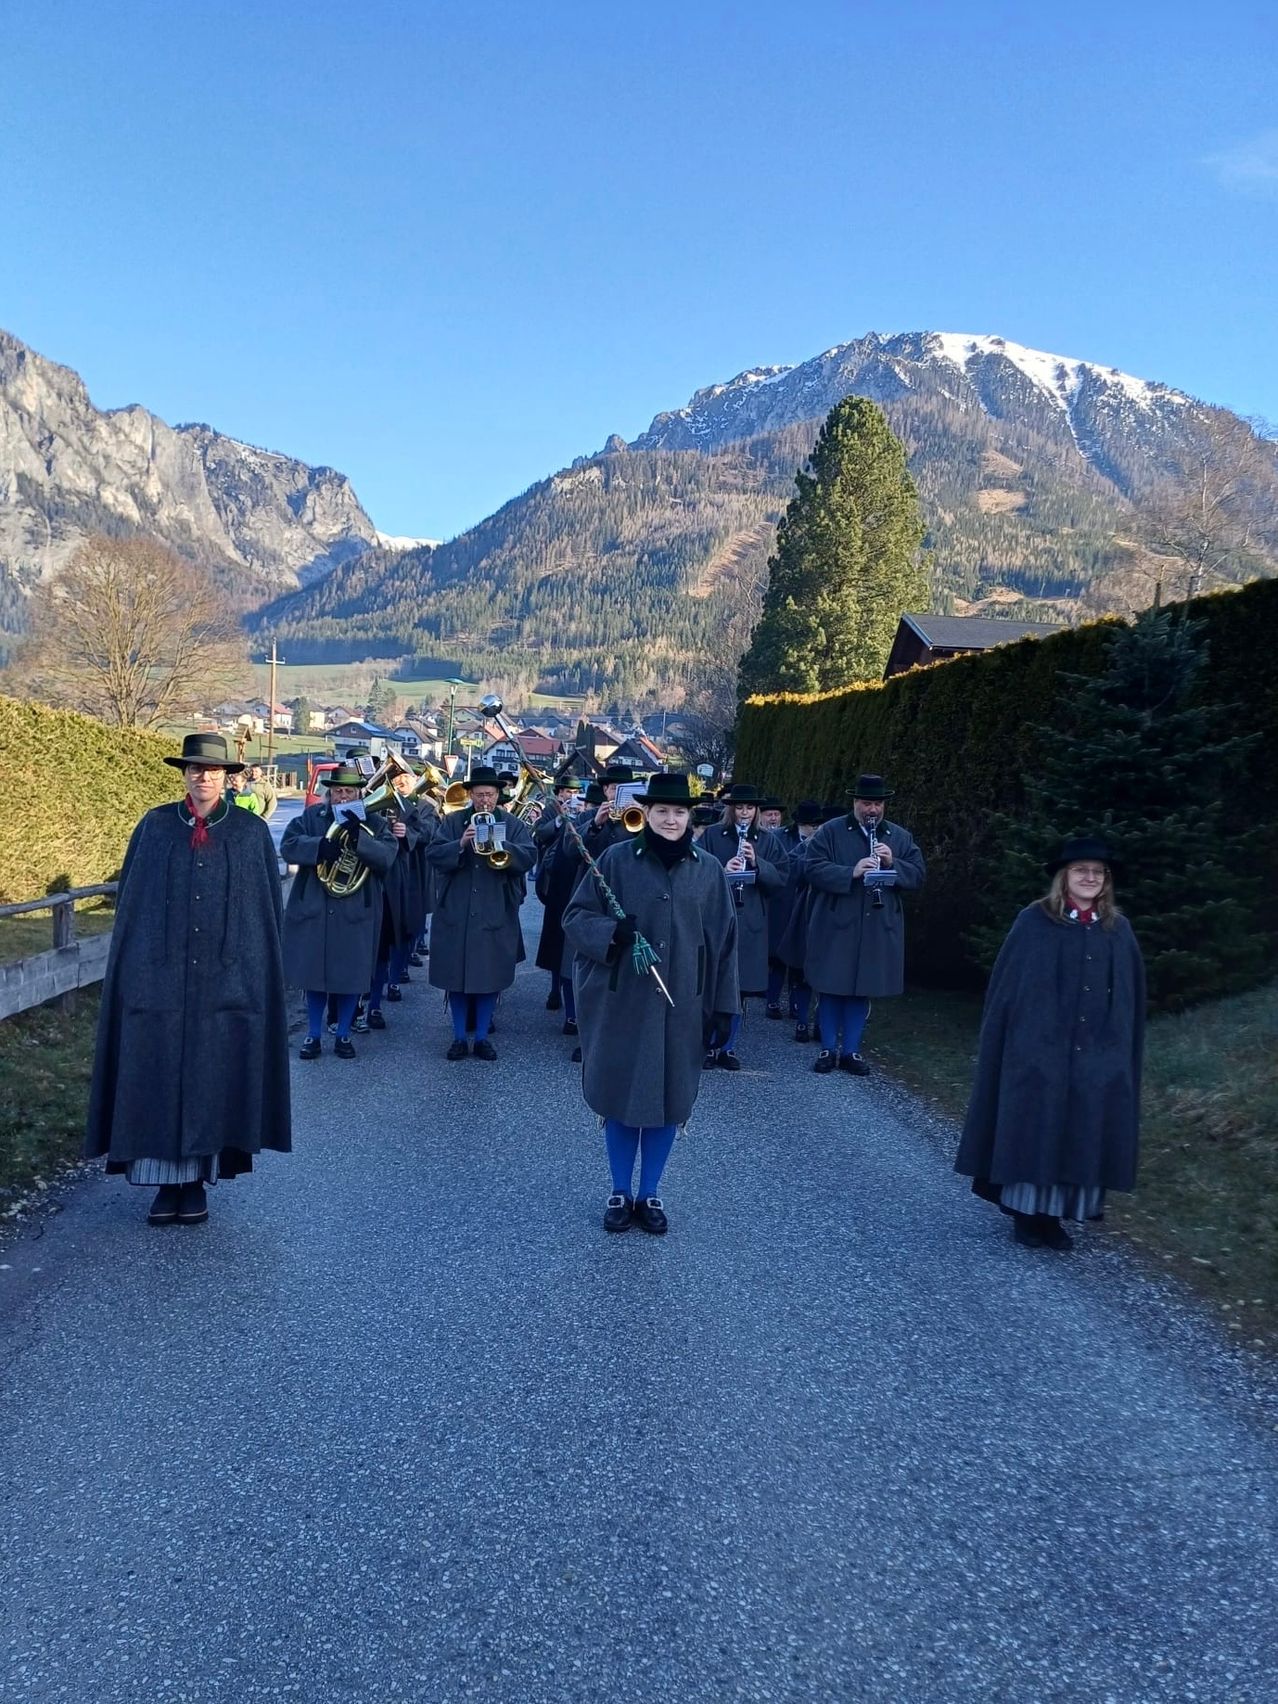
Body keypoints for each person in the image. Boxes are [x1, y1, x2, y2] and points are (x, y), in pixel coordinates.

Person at [85, 733, 292, 1226]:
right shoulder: (155, 828)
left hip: (225, 985)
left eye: (213, 770)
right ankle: (163, 1183)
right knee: (157, 1072)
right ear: (183, 773)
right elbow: (132, 907)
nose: (203, 776)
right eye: (194, 768)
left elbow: (263, 916)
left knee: (211, 1077)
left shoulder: (248, 833)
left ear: (227, 776)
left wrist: (252, 973)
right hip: (159, 982)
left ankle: (196, 1182)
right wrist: (136, 973)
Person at [562, 772, 739, 1235]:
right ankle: (620, 1191)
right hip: (623, 1004)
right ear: (648, 814)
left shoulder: (709, 871)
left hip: (684, 1005)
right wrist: (612, 934)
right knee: (621, 1096)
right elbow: (575, 917)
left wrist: (725, 1006)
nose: (670, 819)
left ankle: (650, 1193)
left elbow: (723, 943)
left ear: (690, 818)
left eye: (679, 812)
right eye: (661, 811)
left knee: (669, 1098)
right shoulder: (616, 860)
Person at [955, 838, 1145, 1251]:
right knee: (1035, 1126)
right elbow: (1009, 990)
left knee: (1081, 1129)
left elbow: (1128, 999)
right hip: (1039, 1048)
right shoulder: (1034, 921)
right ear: (1065, 877)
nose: (1090, 878)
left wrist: (1114, 1052)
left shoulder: (1117, 929)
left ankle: (1056, 1217)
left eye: (1098, 872)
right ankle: (1027, 1214)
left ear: (1106, 881)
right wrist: (1023, 1041)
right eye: (1081, 871)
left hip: (1096, 1053)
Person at [802, 774, 925, 1076]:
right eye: (867, 803)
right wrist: (850, 872)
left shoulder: (898, 837)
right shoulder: (831, 831)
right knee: (832, 986)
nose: (873, 810)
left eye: (878, 804)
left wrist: (893, 863)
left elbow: (918, 875)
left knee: (862, 989)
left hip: (876, 925)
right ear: (855, 802)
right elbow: (811, 867)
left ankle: (852, 1052)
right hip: (837, 921)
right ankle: (828, 1049)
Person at [280, 765, 398, 1059]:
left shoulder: (374, 822)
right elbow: (289, 845)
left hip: (356, 909)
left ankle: (343, 1034)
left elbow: (386, 857)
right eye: (337, 792)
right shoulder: (311, 818)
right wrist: (319, 846)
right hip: (316, 908)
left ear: (359, 793)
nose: (343, 797)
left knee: (351, 976)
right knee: (315, 976)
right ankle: (313, 1035)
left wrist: (359, 840)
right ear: (329, 794)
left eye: (348, 791)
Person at [426, 765, 536, 1059]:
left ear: (498, 795)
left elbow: (529, 856)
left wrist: (504, 846)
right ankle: (460, 1037)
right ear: (470, 795)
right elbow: (433, 854)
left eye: (489, 795)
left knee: (490, 979)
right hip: (457, 910)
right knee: (457, 979)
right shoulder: (452, 822)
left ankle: (483, 1038)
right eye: (478, 795)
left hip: (495, 909)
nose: (484, 801)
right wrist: (461, 843)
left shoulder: (512, 824)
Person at [698, 783, 788, 1069]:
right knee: (712, 984)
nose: (745, 812)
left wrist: (757, 862)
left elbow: (781, 879)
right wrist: (723, 870)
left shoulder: (767, 840)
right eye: (739, 807)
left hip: (751, 922)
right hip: (716, 918)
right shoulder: (713, 835)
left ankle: (728, 1047)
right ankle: (708, 1046)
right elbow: (695, 869)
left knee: (739, 988)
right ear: (731, 809)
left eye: (750, 808)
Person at [365, 762, 433, 1027]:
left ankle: (392, 981)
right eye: (397, 777)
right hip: (377, 876)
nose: (402, 781)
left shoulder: (424, 805)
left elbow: (431, 831)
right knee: (378, 941)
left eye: (406, 776)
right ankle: (369, 1001)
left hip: (409, 874)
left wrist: (409, 833)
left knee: (404, 931)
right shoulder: (378, 802)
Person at [769, 799, 822, 1036]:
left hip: (805, 907)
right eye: (812, 824)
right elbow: (783, 867)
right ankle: (772, 1000)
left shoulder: (821, 841)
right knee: (779, 956)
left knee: (801, 962)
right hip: (783, 901)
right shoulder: (781, 837)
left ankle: (797, 1007)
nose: (815, 828)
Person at [533, 776, 584, 1020]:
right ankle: (555, 989)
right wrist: (558, 818)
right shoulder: (551, 808)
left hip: (576, 875)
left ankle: (567, 998)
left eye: (575, 791)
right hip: (555, 878)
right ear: (560, 792)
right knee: (555, 938)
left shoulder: (585, 808)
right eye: (568, 791)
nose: (572, 795)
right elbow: (540, 834)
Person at [583, 763, 643, 857]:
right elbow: (569, 850)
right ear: (605, 790)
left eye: (627, 790)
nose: (619, 795)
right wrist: (594, 824)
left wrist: (641, 826)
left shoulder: (639, 818)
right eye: (615, 788)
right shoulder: (586, 816)